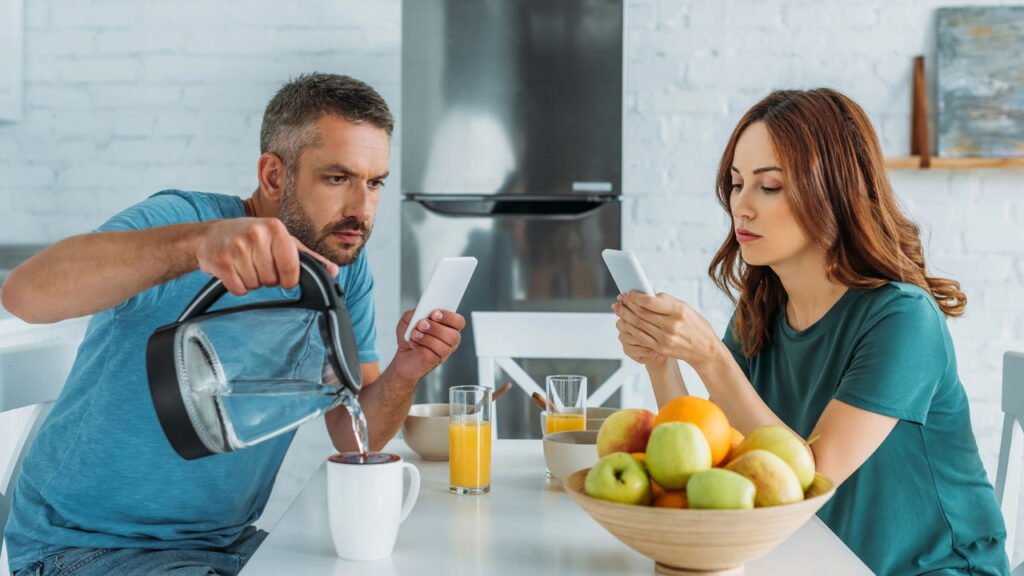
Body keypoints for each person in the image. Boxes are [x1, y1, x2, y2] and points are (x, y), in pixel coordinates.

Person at [1, 73, 465, 576]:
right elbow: (25, 294)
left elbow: (355, 438)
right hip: (87, 548)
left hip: (227, 547)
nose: (361, 209)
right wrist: (196, 245)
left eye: (374, 183)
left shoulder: (343, 267)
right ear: (273, 176)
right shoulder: (183, 221)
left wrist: (407, 369)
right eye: (337, 178)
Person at [612, 88, 1009, 575]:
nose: (743, 206)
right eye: (737, 184)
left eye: (770, 186)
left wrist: (710, 358)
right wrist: (662, 360)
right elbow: (717, 460)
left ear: (835, 191)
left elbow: (812, 476)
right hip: (810, 560)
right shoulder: (761, 311)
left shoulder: (903, 320)